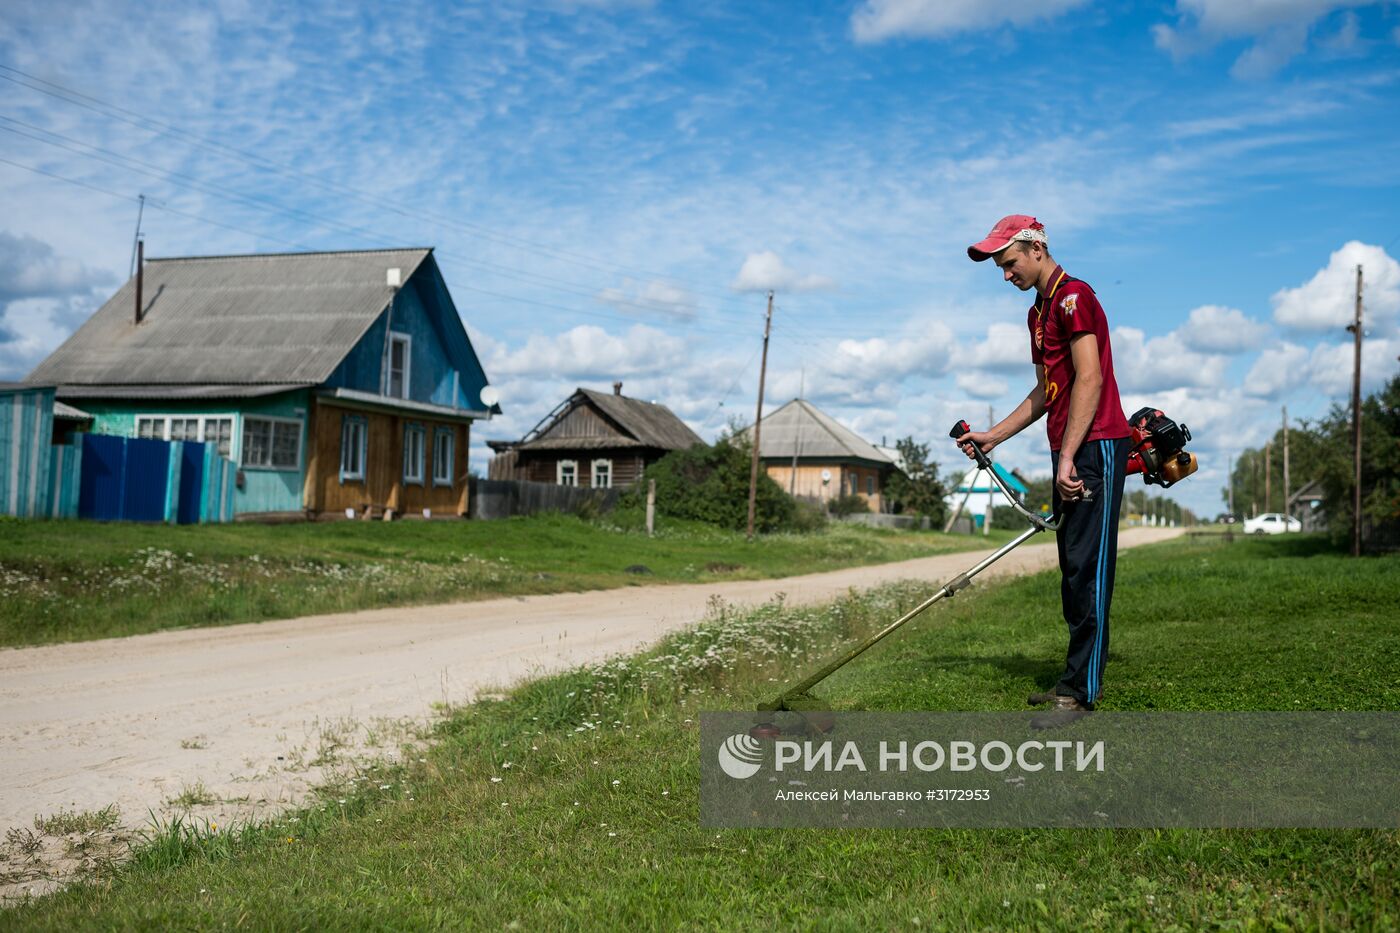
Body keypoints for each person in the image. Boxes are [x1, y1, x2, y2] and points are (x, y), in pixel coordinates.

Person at [956, 215, 1130, 713]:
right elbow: (1046, 391)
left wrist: (1071, 455)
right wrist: (994, 437)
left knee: (1090, 570)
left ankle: (1081, 692)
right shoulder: (1038, 313)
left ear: (1035, 248)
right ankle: (1073, 681)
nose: (1005, 275)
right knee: (1073, 570)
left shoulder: (1076, 298)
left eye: (1009, 263)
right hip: (1070, 447)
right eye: (1000, 268)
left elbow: (1090, 380)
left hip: (1095, 444)